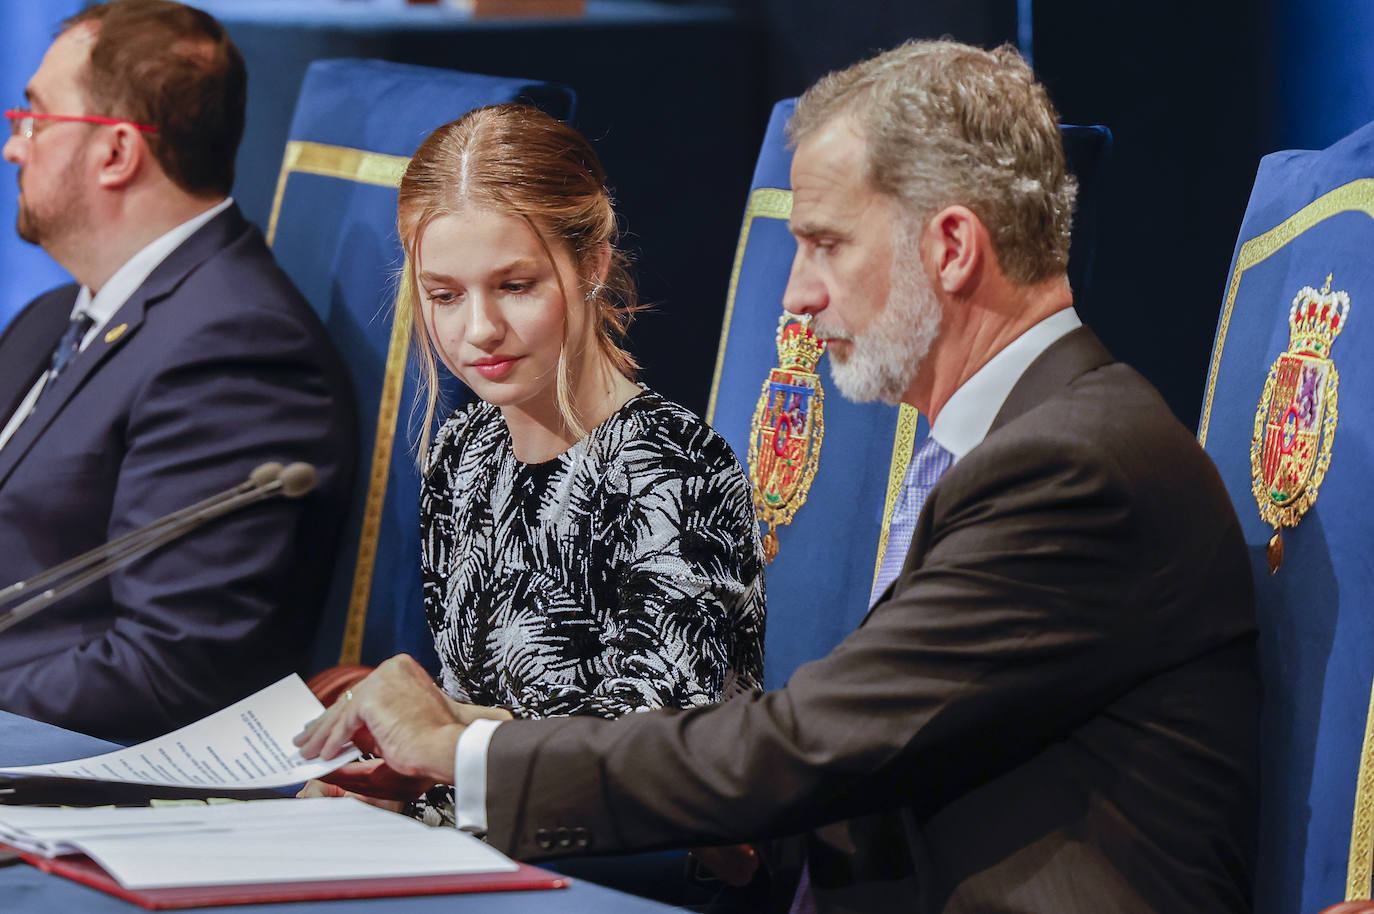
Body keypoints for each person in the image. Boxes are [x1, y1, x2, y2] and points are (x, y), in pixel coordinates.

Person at [298, 40, 1258, 914]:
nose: (795, 295)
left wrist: (465, 755)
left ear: (952, 248)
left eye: (826, 244)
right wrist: (459, 744)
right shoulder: (1011, 444)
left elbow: (811, 746)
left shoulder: (1074, 466)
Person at [302, 104, 766, 823]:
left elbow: (653, 771)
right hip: (478, 843)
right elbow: (484, 721)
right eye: (445, 296)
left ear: (592, 264)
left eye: (515, 286)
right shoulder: (466, 450)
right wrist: (396, 775)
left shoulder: (672, 469)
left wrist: (446, 744)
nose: (479, 329)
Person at [0, 0, 355, 742]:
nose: (15, 147)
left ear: (116, 152)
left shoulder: (236, 346)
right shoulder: (52, 317)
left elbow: (170, 665)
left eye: (35, 118)